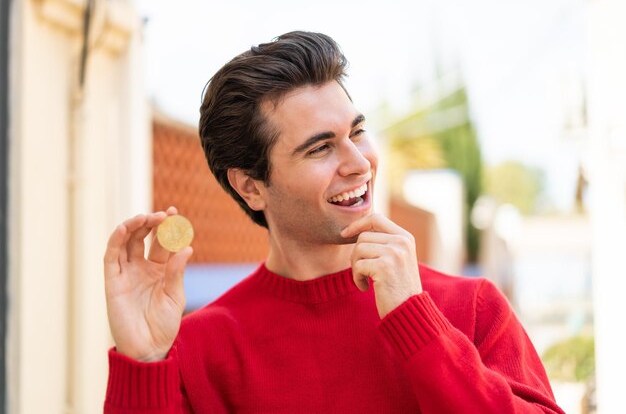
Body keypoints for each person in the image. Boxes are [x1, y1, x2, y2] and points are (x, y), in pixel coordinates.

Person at [103, 31, 564, 414]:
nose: (358, 163)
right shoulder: (198, 347)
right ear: (250, 186)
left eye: (357, 132)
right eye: (320, 148)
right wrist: (143, 362)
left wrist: (419, 326)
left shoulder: (471, 308)